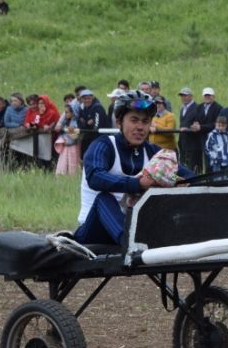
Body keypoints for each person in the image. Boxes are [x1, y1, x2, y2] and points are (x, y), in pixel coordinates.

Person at [74, 91, 194, 245]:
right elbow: (95, 177)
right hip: (93, 231)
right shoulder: (103, 145)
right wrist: (138, 184)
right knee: (104, 198)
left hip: (133, 226)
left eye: (145, 122)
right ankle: (130, 243)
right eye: (134, 120)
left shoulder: (152, 152)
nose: (140, 127)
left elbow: (190, 176)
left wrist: (183, 183)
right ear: (119, 122)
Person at [76, 89, 108, 161]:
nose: (87, 100)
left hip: (98, 137)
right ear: (81, 99)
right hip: (87, 136)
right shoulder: (82, 108)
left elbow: (97, 126)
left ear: (92, 98)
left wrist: (88, 123)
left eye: (89, 98)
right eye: (85, 99)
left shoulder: (97, 107)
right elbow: (80, 122)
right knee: (83, 156)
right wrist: (87, 123)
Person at [53, 104, 82, 175]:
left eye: (67, 112)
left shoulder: (76, 122)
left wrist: (68, 130)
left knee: (72, 167)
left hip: (73, 147)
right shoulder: (66, 121)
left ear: (73, 112)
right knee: (62, 166)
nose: (65, 114)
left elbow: (75, 136)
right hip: (65, 147)